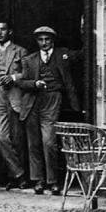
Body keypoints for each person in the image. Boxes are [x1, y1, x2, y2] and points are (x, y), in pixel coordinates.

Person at [16, 26, 82, 196]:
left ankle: (53, 181)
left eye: (47, 39)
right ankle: (38, 180)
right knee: (34, 143)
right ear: (37, 41)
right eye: (41, 40)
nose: (44, 43)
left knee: (49, 141)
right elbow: (21, 82)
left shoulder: (63, 54)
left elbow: (84, 53)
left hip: (52, 99)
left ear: (53, 40)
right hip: (32, 101)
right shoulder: (29, 59)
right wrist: (34, 84)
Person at [0, 21, 29, 190]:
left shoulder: (20, 51)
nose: (0, 33)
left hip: (15, 97)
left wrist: (14, 77)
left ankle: (14, 177)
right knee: (2, 138)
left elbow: (28, 73)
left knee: (17, 139)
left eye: (3, 30)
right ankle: (19, 173)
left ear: (10, 32)